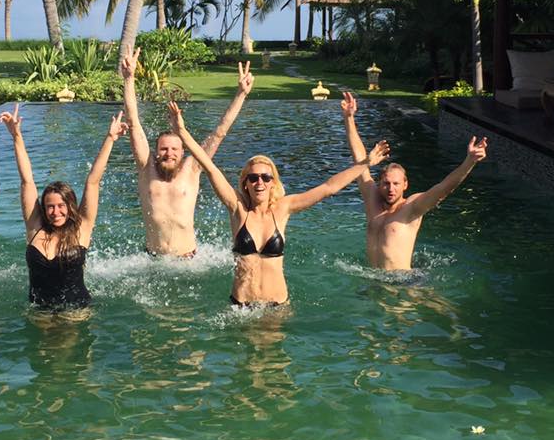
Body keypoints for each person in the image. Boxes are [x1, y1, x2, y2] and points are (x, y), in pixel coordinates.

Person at [167, 101, 390, 307]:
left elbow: (328, 188)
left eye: (266, 177)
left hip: (277, 307)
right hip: (241, 307)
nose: (259, 182)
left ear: (273, 182)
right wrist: (183, 133)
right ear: (245, 184)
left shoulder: (284, 208)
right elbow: (209, 166)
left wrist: (366, 163)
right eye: (253, 178)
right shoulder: (237, 208)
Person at [120, 46, 254, 257]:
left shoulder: (192, 167)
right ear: (156, 152)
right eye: (164, 149)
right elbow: (134, 122)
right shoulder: (147, 167)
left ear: (183, 152)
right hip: (152, 260)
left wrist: (240, 94)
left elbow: (220, 132)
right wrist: (129, 78)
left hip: (188, 260)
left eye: (175, 149)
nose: (169, 153)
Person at [341, 92, 488, 271]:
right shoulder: (372, 200)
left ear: (405, 185)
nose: (390, 189)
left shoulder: (412, 207)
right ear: (380, 183)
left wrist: (469, 161)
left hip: (404, 282)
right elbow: (360, 161)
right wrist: (349, 118)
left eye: (396, 184)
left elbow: (444, 188)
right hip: (374, 280)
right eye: (386, 183)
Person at [0, 103, 127, 309]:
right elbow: (27, 181)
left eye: (61, 206)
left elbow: (93, 181)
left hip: (75, 309)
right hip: (39, 310)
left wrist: (110, 138)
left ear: (70, 206)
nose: (55, 212)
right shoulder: (35, 227)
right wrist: (16, 137)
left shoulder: (82, 227)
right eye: (50, 206)